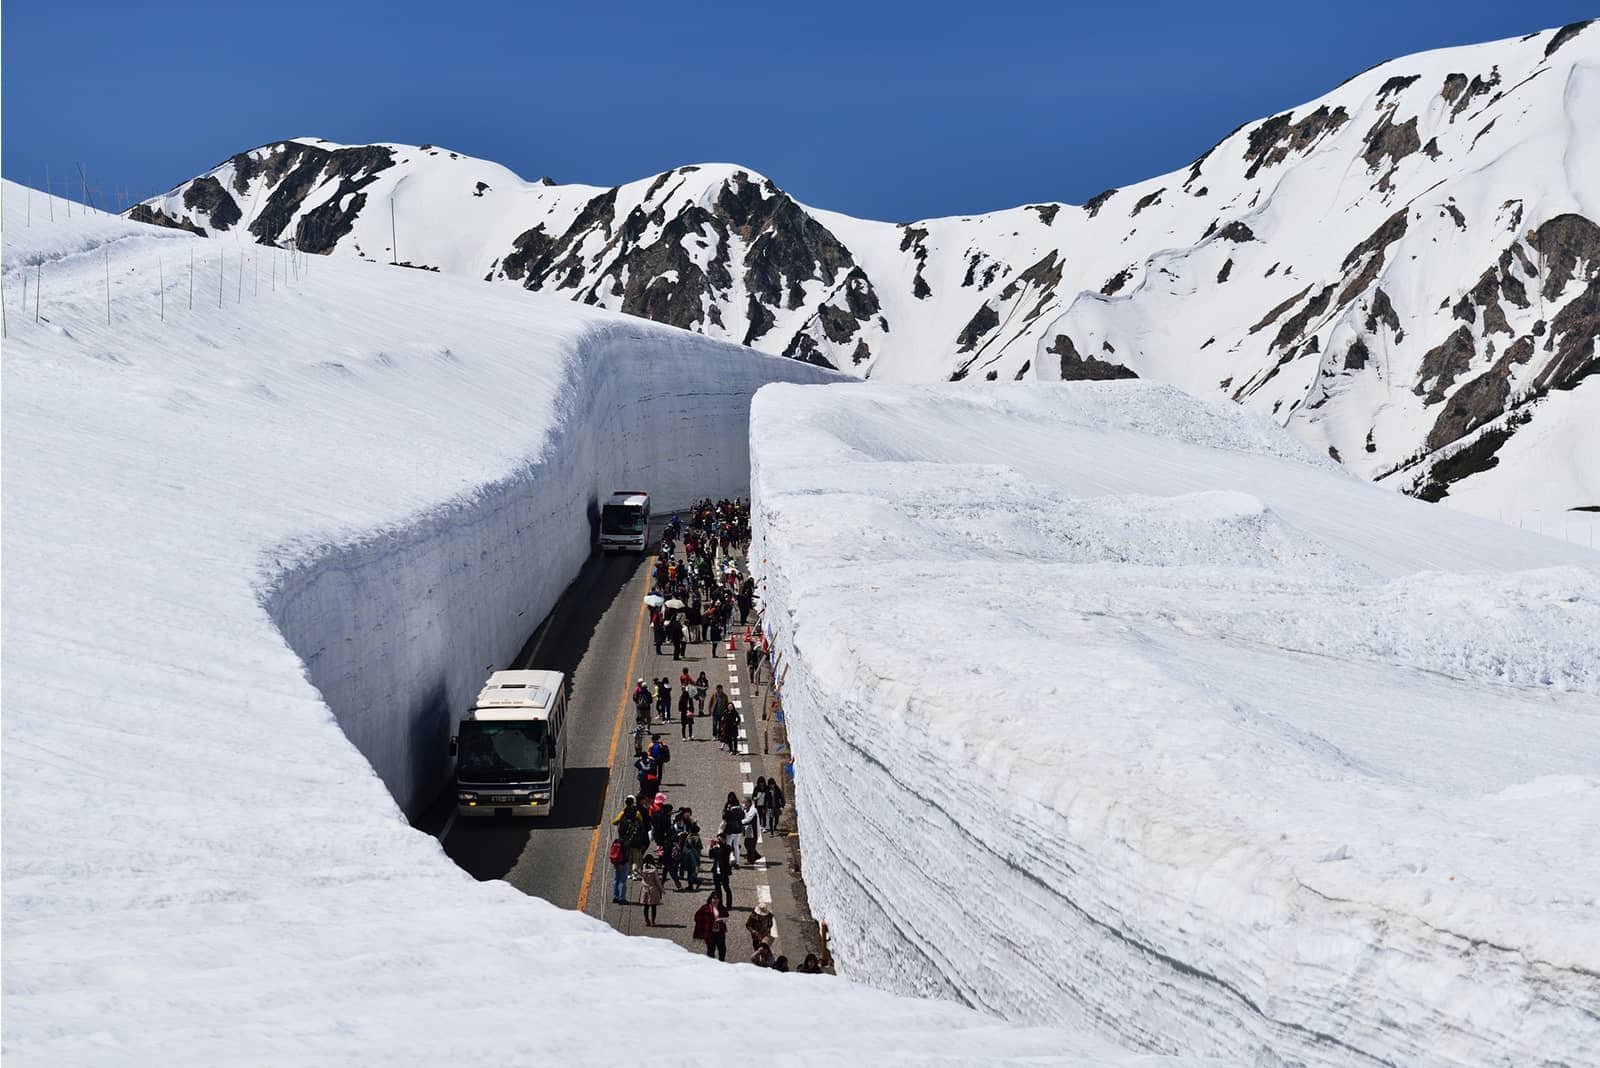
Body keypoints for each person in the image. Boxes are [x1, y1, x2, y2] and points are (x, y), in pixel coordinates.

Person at [694, 894, 727, 960]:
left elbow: (726, 916)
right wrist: (706, 922)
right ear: (710, 899)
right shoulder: (705, 908)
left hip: (720, 932)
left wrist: (722, 919)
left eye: (717, 899)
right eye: (714, 899)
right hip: (710, 933)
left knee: (722, 950)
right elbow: (697, 917)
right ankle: (711, 966)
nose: (715, 900)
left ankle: (722, 964)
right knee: (711, 951)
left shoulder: (721, 907)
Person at [708, 836, 733, 910]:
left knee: (726, 888)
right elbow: (711, 856)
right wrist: (711, 847)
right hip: (716, 871)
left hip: (724, 872)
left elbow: (722, 853)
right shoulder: (717, 848)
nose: (718, 840)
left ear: (724, 839)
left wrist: (719, 844)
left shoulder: (727, 847)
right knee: (717, 889)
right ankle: (720, 904)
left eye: (720, 839)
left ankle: (729, 905)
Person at [640, 857, 664, 927]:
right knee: (653, 906)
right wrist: (662, 890)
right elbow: (657, 881)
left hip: (645, 889)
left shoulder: (643, 869)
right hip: (653, 889)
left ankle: (647, 920)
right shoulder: (654, 870)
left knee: (646, 906)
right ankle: (653, 921)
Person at [741, 796, 762, 864]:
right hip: (748, 831)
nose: (744, 804)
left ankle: (751, 860)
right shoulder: (746, 809)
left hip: (753, 831)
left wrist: (740, 822)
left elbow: (748, 820)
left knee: (750, 845)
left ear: (749, 803)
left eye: (745, 802)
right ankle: (756, 855)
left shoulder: (753, 811)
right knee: (747, 844)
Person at [608, 834, 628, 905]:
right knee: (622, 881)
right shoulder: (625, 843)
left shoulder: (616, 841)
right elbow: (626, 854)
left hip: (615, 862)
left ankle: (615, 897)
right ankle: (622, 898)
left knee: (616, 879)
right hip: (623, 863)